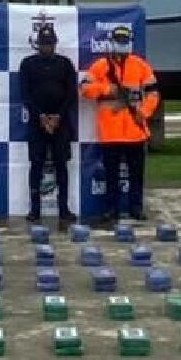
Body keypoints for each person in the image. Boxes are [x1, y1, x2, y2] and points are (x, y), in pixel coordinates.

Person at [81, 23, 159, 223]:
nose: (122, 44)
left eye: (125, 41)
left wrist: (144, 112)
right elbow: (84, 89)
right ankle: (111, 210)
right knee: (111, 175)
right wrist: (108, 89)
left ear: (130, 42)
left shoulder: (141, 65)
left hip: (135, 130)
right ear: (112, 42)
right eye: (119, 41)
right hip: (111, 132)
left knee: (136, 175)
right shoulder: (101, 66)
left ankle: (136, 209)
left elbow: (153, 93)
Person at [17, 24, 78, 226]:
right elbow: (25, 94)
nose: (47, 47)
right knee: (36, 164)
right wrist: (41, 116)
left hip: (61, 122)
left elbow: (71, 93)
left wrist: (58, 116)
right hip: (37, 123)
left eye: (50, 43)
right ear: (37, 44)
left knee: (61, 164)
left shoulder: (65, 63)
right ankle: (34, 209)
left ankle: (64, 209)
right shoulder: (28, 64)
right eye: (43, 44)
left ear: (55, 44)